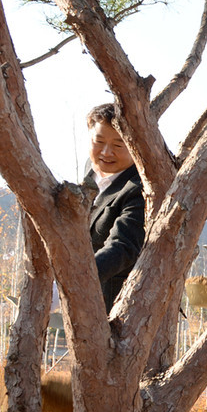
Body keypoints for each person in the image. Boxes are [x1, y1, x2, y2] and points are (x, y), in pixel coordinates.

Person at [85, 103, 145, 311]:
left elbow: (123, 246)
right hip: (81, 304)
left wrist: (74, 280)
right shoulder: (91, 168)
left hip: (117, 306)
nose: (106, 152)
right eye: (99, 142)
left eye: (118, 145)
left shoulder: (141, 188)